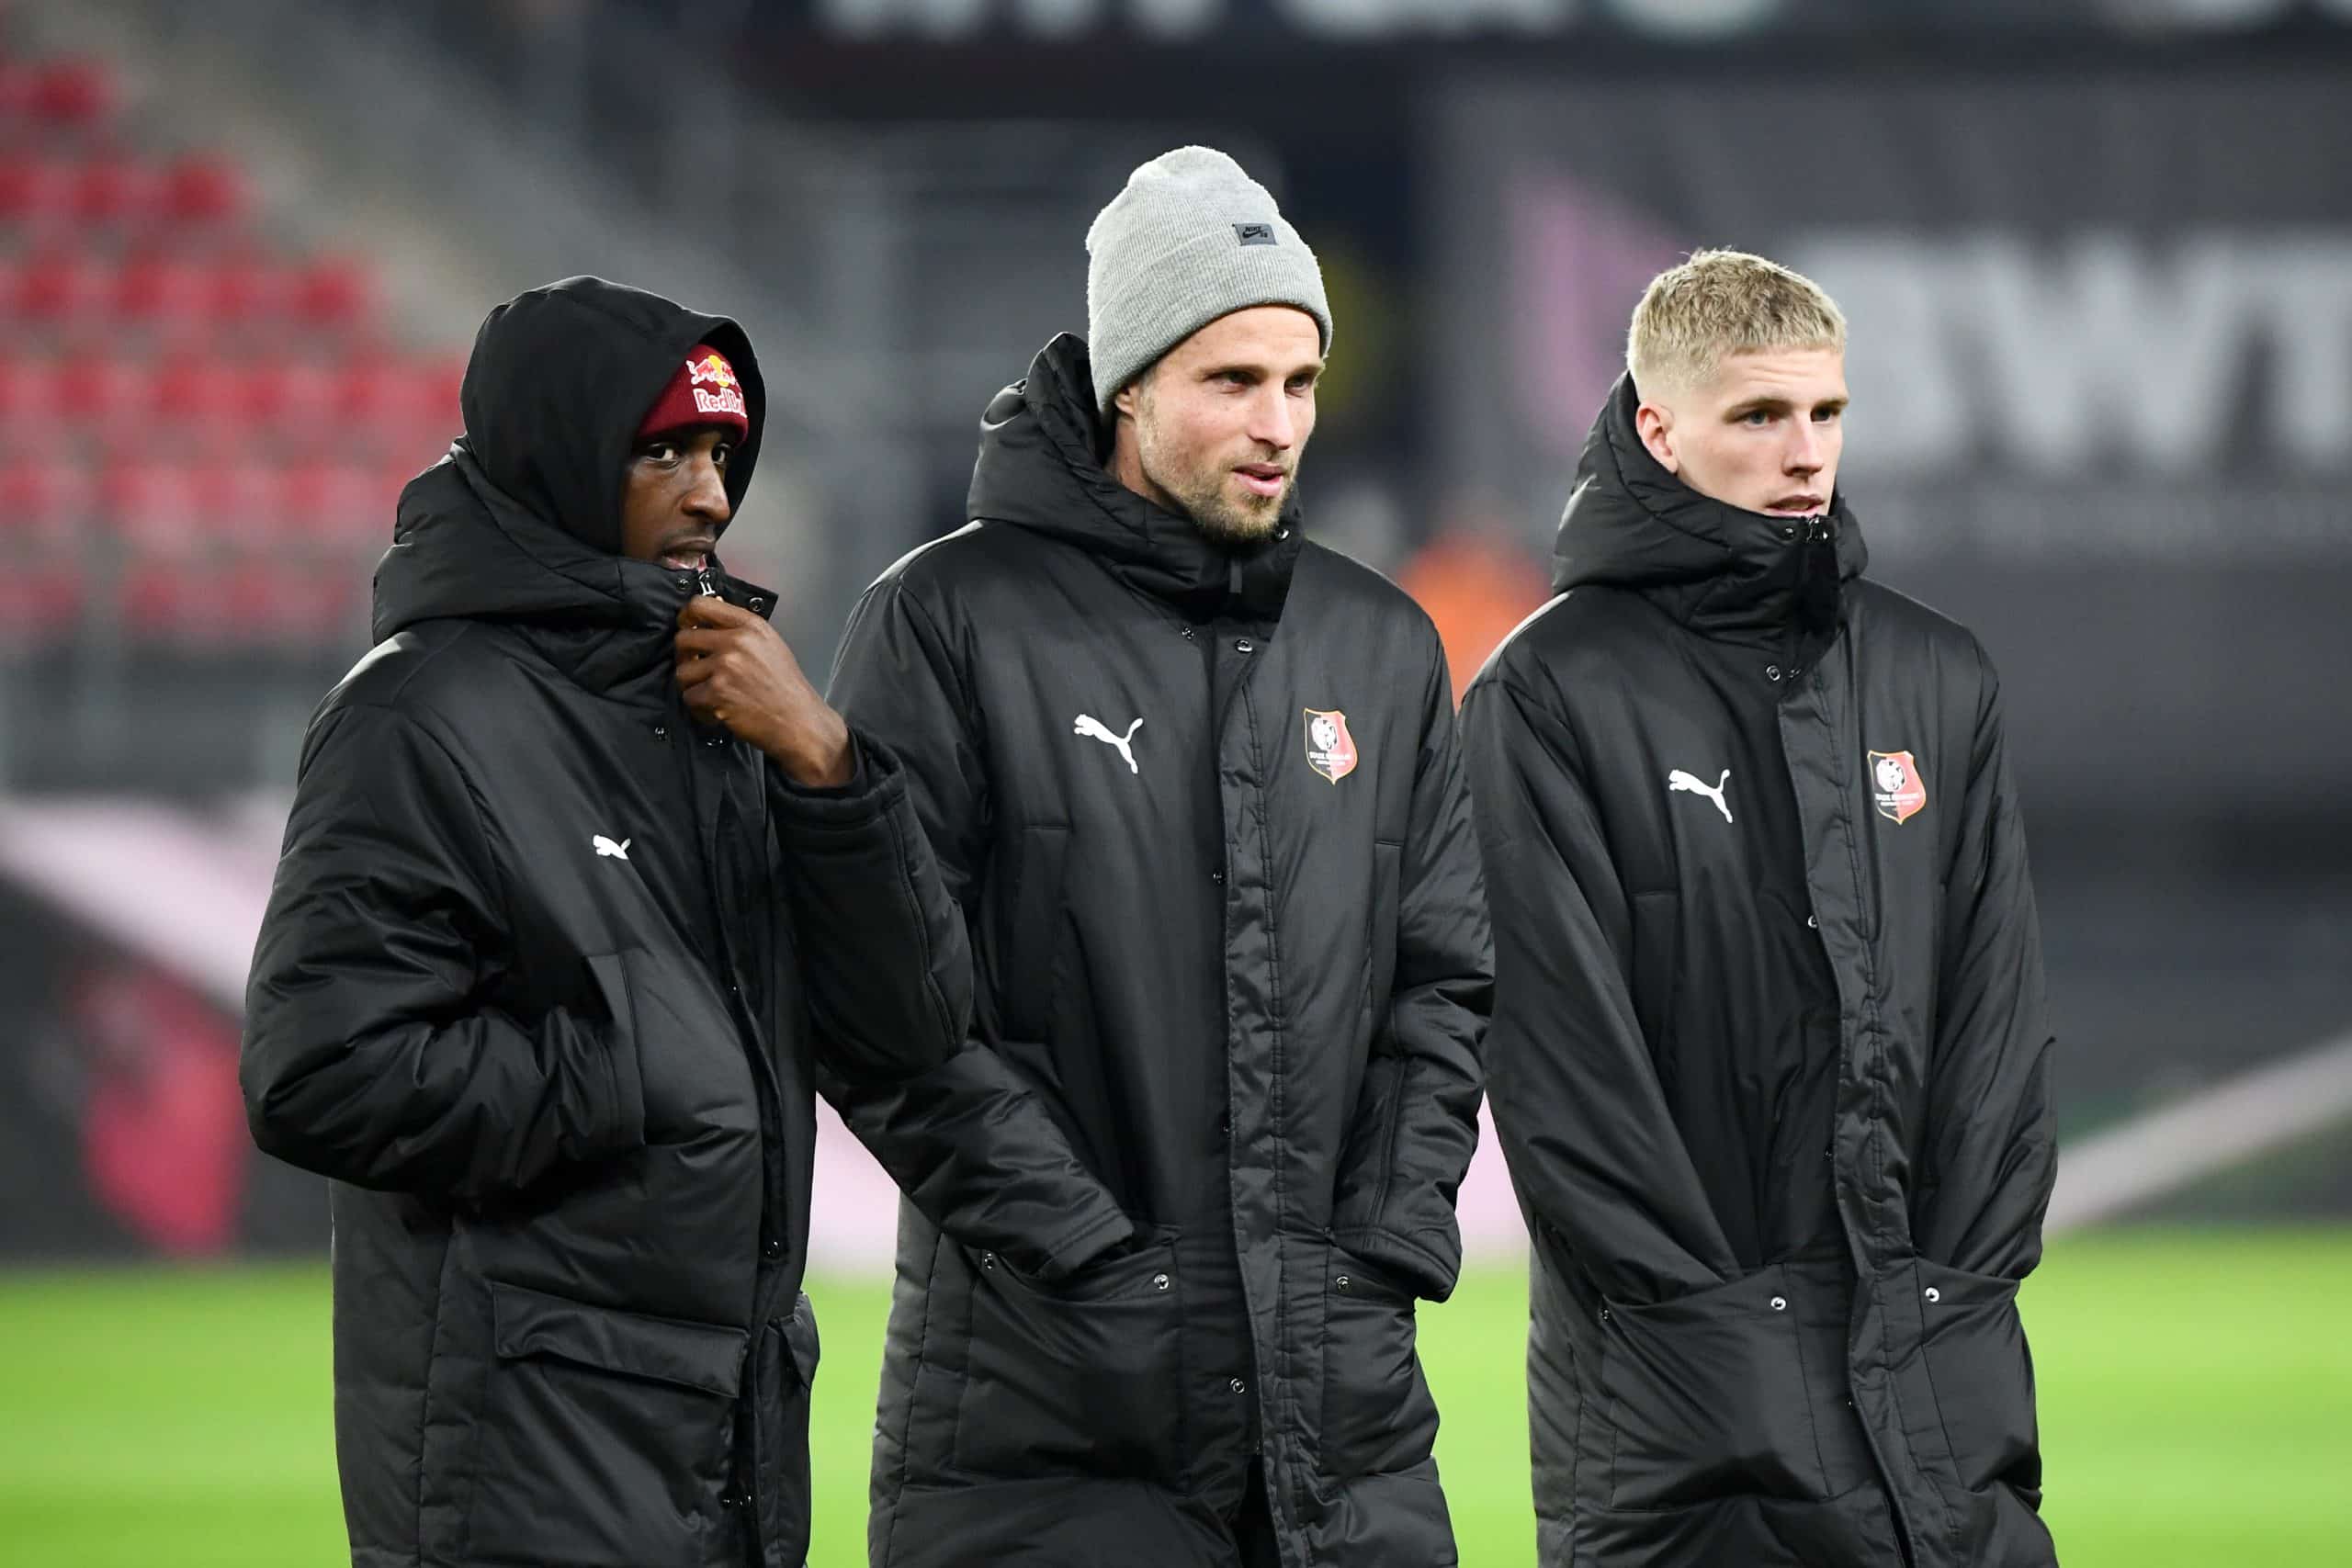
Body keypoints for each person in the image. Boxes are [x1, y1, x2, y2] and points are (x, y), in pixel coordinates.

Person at [825, 146, 1491, 1567]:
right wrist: (1097, 1267)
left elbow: (1442, 987)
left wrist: (1379, 1249)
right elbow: (887, 1013)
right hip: (1041, 1424)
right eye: (1231, 382)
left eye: (1300, 384)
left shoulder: (1380, 644)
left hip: (1342, 1423)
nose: (1278, 424)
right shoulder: (945, 621)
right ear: (1129, 379)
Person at [241, 276, 971, 1568]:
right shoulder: (417, 715)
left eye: (722, 454)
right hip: (523, 1457)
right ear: (560, 453)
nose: (708, 494)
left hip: (726, 1440)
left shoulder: (729, 703)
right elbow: (320, 1070)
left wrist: (825, 766)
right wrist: (616, 1069)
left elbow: (910, 1024)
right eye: (665, 452)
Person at [1461, 249, 2058, 1568]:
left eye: (1826, 413)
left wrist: (1955, 1292)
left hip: (1941, 1388)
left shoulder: (1935, 675)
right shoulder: (1546, 696)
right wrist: (1730, 1335)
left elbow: (1997, 1034)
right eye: (1759, 416)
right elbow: (1567, 1080)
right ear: (1659, 427)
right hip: (1687, 1418)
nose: (1805, 451)